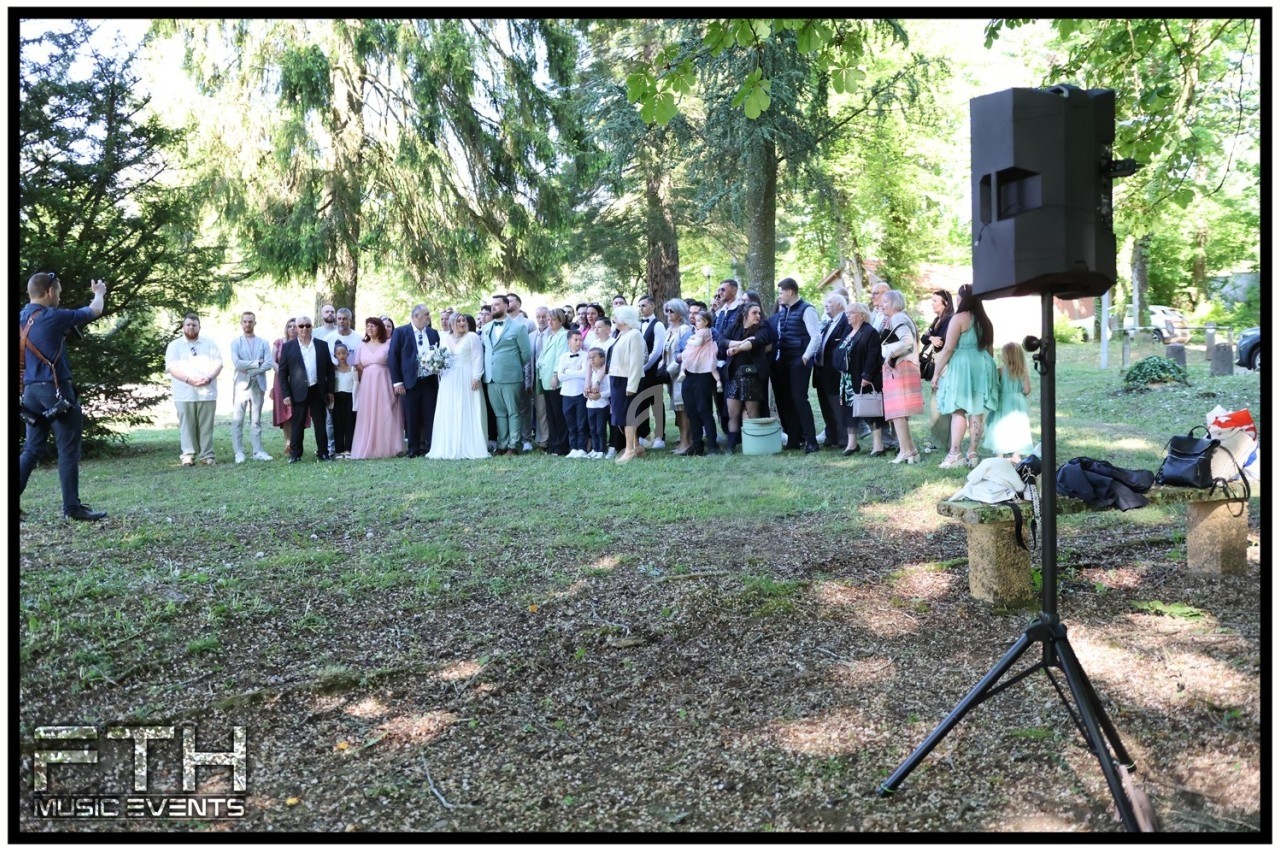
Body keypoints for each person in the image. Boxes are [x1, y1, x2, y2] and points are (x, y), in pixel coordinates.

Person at [18, 272, 108, 521]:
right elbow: (94, 310)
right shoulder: (53, 317)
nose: (59, 296)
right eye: (58, 291)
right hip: (56, 391)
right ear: (49, 292)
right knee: (68, 450)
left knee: (31, 449)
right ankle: (72, 508)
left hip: (29, 392)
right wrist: (99, 293)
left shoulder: (20, 317)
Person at [931, 283, 999, 469]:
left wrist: (936, 372)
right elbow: (990, 350)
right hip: (983, 364)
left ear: (963, 298)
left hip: (963, 365)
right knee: (976, 410)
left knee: (958, 409)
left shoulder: (959, 318)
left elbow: (948, 348)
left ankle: (955, 453)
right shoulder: (985, 320)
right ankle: (972, 452)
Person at [428, 313, 491, 460]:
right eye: (458, 321)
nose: (462, 323)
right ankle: (448, 445)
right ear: (451, 324)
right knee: (450, 408)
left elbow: (477, 357)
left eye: (464, 320)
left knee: (466, 407)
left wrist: (476, 376)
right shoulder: (445, 338)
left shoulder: (472, 337)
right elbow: (441, 357)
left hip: (467, 376)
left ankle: (468, 445)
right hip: (448, 378)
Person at [165, 313, 223, 467]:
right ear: (183, 327)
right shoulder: (175, 345)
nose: (191, 327)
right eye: (188, 324)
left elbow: (218, 364)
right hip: (184, 392)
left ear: (199, 327)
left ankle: (207, 455)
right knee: (187, 425)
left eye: (194, 325)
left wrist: (209, 378)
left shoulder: (209, 344)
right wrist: (188, 380)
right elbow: (171, 367)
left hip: (207, 391)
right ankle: (188, 456)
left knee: (206, 425)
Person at [276, 314, 335, 462]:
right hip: (298, 391)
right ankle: (296, 454)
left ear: (311, 327)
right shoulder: (289, 347)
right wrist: (286, 394)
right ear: (296, 328)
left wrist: (329, 390)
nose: (304, 329)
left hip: (317, 389)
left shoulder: (322, 345)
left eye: (307, 325)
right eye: (301, 326)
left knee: (320, 422)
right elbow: (282, 373)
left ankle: (323, 452)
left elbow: (330, 370)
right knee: (298, 423)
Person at [388, 304, 441, 458]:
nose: (429, 317)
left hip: (429, 381)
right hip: (409, 382)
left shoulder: (432, 333)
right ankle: (413, 448)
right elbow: (393, 357)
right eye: (426, 314)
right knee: (411, 416)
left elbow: (437, 352)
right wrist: (397, 382)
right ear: (416, 316)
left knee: (430, 414)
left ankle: (431, 446)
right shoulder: (400, 332)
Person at [482, 293, 532, 456]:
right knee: (499, 413)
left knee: (513, 411)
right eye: (492, 305)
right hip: (491, 377)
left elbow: (526, 353)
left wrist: (512, 366)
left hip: (511, 376)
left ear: (505, 306)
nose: (493, 307)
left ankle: (513, 444)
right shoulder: (486, 328)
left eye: (497, 304)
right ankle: (502, 444)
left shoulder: (518, 327)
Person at [879, 290, 924, 464]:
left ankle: (906, 451)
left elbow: (907, 342)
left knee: (898, 412)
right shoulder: (900, 318)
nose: (881, 304)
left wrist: (890, 355)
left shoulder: (898, 318)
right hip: (904, 366)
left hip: (900, 367)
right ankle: (910, 450)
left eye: (885, 301)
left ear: (894, 303)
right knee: (899, 413)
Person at [720, 302, 771, 453]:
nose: (758, 316)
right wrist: (738, 343)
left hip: (752, 376)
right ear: (745, 314)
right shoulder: (735, 328)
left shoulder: (762, 329)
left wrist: (737, 348)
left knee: (752, 411)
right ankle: (731, 445)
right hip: (733, 375)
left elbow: (755, 342)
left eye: (759, 313)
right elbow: (722, 341)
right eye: (754, 313)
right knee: (732, 412)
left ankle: (754, 444)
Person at [836, 302, 885, 456]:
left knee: (870, 411)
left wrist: (867, 375)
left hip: (863, 377)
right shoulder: (848, 331)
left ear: (861, 315)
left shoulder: (869, 332)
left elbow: (873, 356)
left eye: (851, 313)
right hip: (848, 379)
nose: (847, 316)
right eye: (847, 313)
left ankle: (878, 446)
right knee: (849, 411)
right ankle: (852, 444)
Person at [350, 318, 402, 459]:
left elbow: (394, 361)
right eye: (368, 326)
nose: (370, 329)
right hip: (368, 383)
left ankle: (385, 446)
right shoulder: (362, 344)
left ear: (379, 328)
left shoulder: (388, 343)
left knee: (384, 409)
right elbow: (357, 364)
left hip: (385, 379)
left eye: (373, 326)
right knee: (368, 411)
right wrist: (370, 372)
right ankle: (368, 445)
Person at [803, 292, 849, 451]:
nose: (825, 304)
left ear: (840, 305)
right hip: (821, 371)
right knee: (825, 406)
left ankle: (844, 438)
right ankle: (832, 435)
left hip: (834, 372)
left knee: (837, 406)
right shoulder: (828, 323)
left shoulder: (845, 322)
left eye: (829, 302)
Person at [229, 310, 275, 463]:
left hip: (258, 384)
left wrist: (251, 369)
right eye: (245, 321)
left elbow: (268, 363)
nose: (247, 324)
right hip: (241, 385)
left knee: (256, 419)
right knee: (238, 420)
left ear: (255, 323)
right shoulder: (236, 343)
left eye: (250, 321)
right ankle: (239, 452)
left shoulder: (263, 342)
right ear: (241, 323)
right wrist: (256, 363)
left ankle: (258, 451)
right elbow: (237, 363)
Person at [608, 305, 647, 464]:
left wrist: (632, 386)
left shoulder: (635, 334)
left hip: (628, 380)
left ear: (625, 319)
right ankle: (637, 447)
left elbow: (636, 362)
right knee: (621, 414)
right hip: (618, 378)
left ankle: (629, 449)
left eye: (617, 316)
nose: (614, 319)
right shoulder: (621, 334)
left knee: (628, 415)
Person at [679, 309, 720, 456]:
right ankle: (697, 445)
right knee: (691, 412)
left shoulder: (709, 332)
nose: (693, 319)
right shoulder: (689, 333)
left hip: (703, 375)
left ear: (706, 321)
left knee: (704, 411)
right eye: (693, 316)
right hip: (688, 375)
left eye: (697, 317)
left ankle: (713, 446)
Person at [983, 342, 1034, 461]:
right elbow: (1027, 390)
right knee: (1017, 426)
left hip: (1003, 401)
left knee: (1000, 426)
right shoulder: (1023, 372)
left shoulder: (1000, 371)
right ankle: (1016, 454)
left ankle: (999, 453)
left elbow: (994, 386)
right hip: (1018, 403)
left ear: (1006, 356)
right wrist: (1019, 394)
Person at [920, 289, 956, 453]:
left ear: (945, 302)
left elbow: (946, 343)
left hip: (945, 365)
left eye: (935, 301)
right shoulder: (937, 320)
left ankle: (942, 441)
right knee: (936, 401)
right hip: (937, 364)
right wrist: (931, 338)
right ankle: (939, 439)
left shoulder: (950, 320)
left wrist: (933, 338)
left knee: (940, 401)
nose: (932, 304)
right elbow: (924, 337)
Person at [272, 318, 310, 457]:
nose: (293, 329)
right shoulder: (279, 342)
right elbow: (272, 360)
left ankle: (296, 443)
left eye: (295, 326)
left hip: (298, 381)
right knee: (285, 413)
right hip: (281, 381)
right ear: (286, 328)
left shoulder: (304, 343)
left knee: (298, 412)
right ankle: (288, 443)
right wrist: (283, 372)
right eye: (290, 326)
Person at [661, 299, 694, 455]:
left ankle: (687, 442)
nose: (668, 313)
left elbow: (685, 353)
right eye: (667, 310)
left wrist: (670, 370)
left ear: (680, 313)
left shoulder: (684, 329)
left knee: (683, 408)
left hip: (681, 373)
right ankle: (683, 440)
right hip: (670, 375)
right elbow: (665, 354)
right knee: (677, 409)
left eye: (671, 311)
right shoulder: (669, 330)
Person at [537, 308, 571, 456]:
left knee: (558, 414)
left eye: (553, 320)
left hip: (555, 381)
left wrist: (555, 375)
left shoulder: (563, 336)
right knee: (550, 414)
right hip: (544, 380)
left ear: (561, 320)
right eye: (549, 320)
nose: (550, 322)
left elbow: (560, 357)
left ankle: (561, 446)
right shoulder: (551, 336)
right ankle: (553, 444)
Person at [636, 295, 667, 449]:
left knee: (656, 404)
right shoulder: (637, 325)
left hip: (652, 372)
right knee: (640, 404)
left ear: (653, 306)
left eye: (644, 305)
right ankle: (643, 434)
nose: (641, 309)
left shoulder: (658, 325)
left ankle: (660, 436)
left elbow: (657, 350)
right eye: (639, 306)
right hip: (639, 373)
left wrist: (645, 367)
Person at [556, 328, 590, 458]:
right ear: (569, 342)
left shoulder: (586, 355)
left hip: (580, 393)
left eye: (580, 339)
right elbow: (560, 376)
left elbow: (584, 374)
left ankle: (582, 447)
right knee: (570, 422)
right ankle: (573, 447)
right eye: (575, 340)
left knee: (581, 422)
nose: (578, 342)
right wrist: (575, 372)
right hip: (567, 394)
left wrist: (568, 371)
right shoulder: (563, 357)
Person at [529, 306, 552, 450]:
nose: (541, 319)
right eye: (539, 317)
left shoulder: (554, 334)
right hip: (535, 378)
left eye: (544, 316)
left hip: (551, 377)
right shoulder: (531, 335)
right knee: (540, 410)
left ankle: (551, 438)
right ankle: (542, 440)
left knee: (552, 410)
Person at [331, 341, 358, 458]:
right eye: (339, 354)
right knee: (337, 425)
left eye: (343, 353)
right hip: (337, 399)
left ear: (348, 354)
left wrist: (356, 403)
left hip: (349, 398)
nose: (341, 356)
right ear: (335, 355)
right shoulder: (333, 370)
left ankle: (348, 449)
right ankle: (338, 450)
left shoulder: (353, 369)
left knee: (349, 424)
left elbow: (356, 386)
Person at [584, 347, 610, 459]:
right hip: (590, 405)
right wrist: (586, 394)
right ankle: (595, 448)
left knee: (600, 429)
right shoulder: (590, 374)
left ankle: (602, 449)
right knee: (593, 429)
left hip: (602, 406)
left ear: (602, 359)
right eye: (589, 358)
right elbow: (585, 389)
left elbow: (611, 391)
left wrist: (600, 395)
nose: (591, 360)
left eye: (594, 357)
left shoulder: (606, 374)